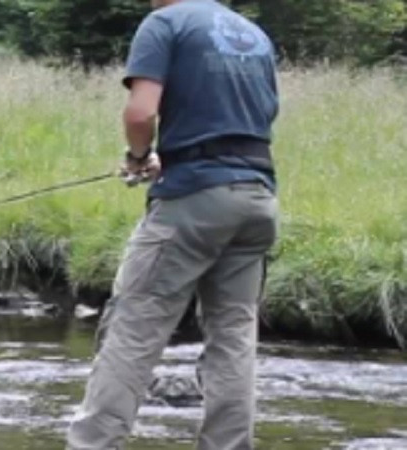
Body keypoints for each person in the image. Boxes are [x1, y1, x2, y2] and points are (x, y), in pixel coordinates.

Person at [66, 0, 280, 449]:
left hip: (193, 201)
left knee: (133, 327)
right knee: (234, 337)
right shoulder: (254, 34)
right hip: (257, 199)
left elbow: (140, 113)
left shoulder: (164, 23)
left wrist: (139, 157)